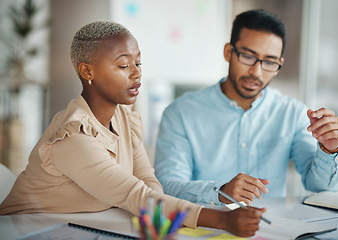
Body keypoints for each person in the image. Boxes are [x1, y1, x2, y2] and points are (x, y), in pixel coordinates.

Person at [0, 20, 266, 237]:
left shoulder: (125, 119)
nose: (137, 74)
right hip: (25, 231)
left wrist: (160, 218)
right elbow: (136, 195)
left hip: (79, 227)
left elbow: (147, 180)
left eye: (138, 63)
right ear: (87, 71)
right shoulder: (73, 139)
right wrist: (223, 220)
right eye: (124, 65)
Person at [154, 9, 338, 205]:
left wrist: (330, 150)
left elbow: (320, 188)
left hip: (273, 230)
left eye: (269, 62)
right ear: (228, 52)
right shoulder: (180, 113)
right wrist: (219, 192)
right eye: (248, 56)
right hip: (205, 228)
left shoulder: (291, 112)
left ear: (279, 64)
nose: (256, 72)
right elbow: (167, 186)